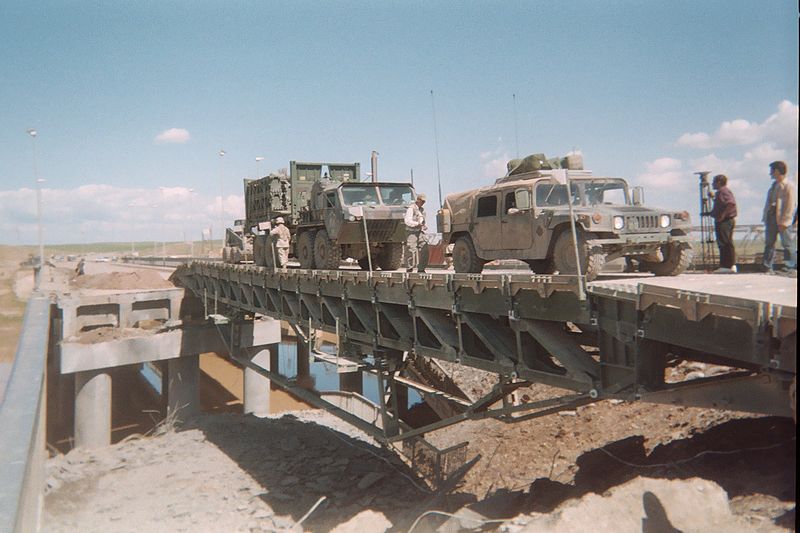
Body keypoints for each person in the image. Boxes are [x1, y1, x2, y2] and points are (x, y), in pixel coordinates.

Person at [762, 161, 797, 272]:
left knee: (787, 243)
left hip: (782, 219)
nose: (770, 173)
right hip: (772, 217)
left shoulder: (789, 186)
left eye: (772, 171)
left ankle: (790, 267)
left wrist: (785, 221)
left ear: (777, 171)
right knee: (769, 243)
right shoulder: (774, 186)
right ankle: (767, 266)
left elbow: (791, 204)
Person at [708, 174, 737, 273]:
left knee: (724, 243)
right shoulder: (721, 193)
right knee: (727, 242)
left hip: (725, 221)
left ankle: (726, 265)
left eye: (714, 182)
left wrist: (722, 216)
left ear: (719, 183)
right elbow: (722, 204)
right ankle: (730, 265)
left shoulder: (723, 191)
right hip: (726, 220)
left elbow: (730, 203)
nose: (712, 184)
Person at [404, 193, 428, 272]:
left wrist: (424, 226)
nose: (423, 203)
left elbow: (422, 220)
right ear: (418, 200)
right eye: (422, 201)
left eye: (424, 201)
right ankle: (409, 268)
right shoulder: (411, 208)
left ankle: (421, 268)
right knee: (411, 249)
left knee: (425, 249)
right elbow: (407, 221)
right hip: (411, 232)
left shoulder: (422, 210)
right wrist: (417, 224)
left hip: (420, 231)